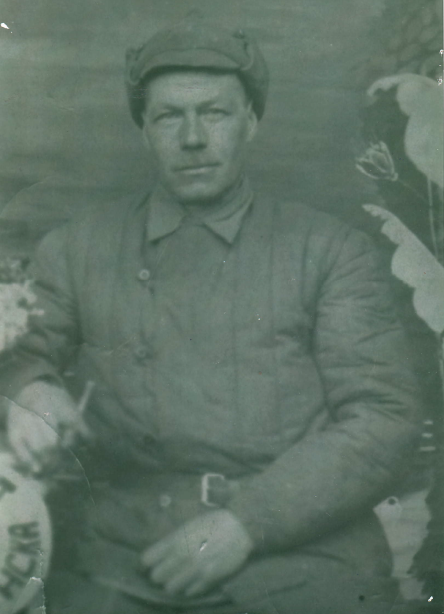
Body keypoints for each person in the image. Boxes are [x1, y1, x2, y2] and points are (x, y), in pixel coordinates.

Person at [0, 22, 421, 614]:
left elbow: (384, 418)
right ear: (144, 131)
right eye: (169, 117)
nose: (193, 138)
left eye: (215, 113)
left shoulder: (329, 251)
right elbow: (20, 350)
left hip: (299, 553)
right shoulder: (76, 248)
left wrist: (247, 523)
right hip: (118, 554)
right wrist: (31, 390)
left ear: (251, 121)